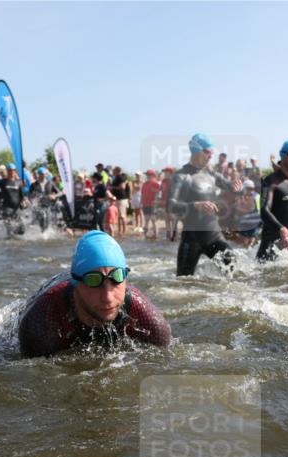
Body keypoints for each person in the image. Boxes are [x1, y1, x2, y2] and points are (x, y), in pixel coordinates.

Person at [17, 230, 171, 358]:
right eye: (93, 281)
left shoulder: (150, 323)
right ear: (76, 284)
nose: (108, 298)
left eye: (116, 279)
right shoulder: (41, 320)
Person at [168, 133, 240, 276]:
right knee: (182, 285)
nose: (210, 156)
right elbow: (170, 205)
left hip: (213, 235)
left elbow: (231, 188)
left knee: (232, 268)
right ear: (196, 150)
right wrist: (195, 205)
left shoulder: (212, 174)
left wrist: (236, 187)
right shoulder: (181, 176)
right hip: (191, 238)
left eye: (212, 152)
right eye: (207, 152)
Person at [140, 169, 160, 239]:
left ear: (153, 176)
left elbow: (158, 194)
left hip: (153, 204)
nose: (147, 176)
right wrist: (141, 202)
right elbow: (142, 194)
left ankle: (156, 235)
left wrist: (156, 201)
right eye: (147, 175)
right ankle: (146, 235)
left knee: (154, 220)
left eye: (149, 175)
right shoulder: (144, 184)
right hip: (145, 204)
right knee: (146, 220)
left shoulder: (156, 183)